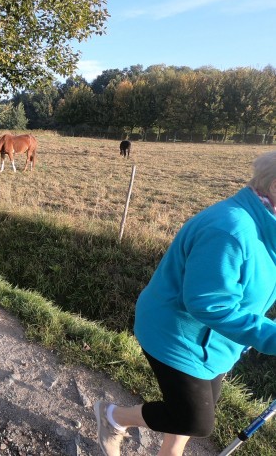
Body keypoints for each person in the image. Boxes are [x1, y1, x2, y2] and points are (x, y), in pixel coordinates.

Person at [94, 150, 276, 456]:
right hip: (174, 334)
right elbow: (210, 304)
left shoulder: (268, 227)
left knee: (193, 411)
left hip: (217, 341)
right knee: (194, 419)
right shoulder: (230, 230)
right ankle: (112, 417)